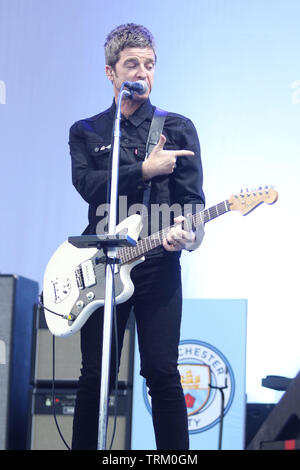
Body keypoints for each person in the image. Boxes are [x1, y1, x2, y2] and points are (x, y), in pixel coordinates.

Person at [69, 23, 205, 450]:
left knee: (162, 372)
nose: (142, 73)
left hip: (158, 265)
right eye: (132, 64)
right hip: (104, 266)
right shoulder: (87, 131)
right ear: (111, 72)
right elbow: (87, 185)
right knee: (96, 374)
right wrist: (143, 170)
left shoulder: (177, 128)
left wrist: (190, 236)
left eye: (149, 65)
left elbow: (193, 203)